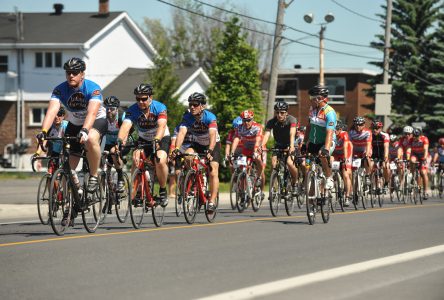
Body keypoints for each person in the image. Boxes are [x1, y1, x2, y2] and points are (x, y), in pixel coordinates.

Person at [36, 58, 107, 190]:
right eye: (68, 72)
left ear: (82, 74)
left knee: (91, 139)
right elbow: (52, 111)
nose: (71, 75)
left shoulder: (93, 88)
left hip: (96, 120)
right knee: (68, 169)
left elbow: (91, 113)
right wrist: (44, 131)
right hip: (75, 123)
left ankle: (94, 175)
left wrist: (85, 130)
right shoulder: (59, 89)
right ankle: (69, 202)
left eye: (75, 72)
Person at [116, 83, 170, 206]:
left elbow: (161, 126)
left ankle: (162, 190)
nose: (140, 101)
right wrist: (119, 140)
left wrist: (156, 139)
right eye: (138, 99)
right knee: (136, 159)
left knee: (160, 160)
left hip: (161, 137)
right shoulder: (133, 110)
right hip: (143, 139)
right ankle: (138, 191)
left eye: (144, 99)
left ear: (150, 97)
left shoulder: (159, 107)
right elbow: (126, 126)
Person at [173, 92, 221, 211]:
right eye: (190, 104)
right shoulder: (187, 117)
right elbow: (182, 133)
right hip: (198, 143)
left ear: (202, 106)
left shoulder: (210, 117)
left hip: (212, 145)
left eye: (195, 104)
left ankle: (211, 201)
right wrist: (176, 148)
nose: (192, 107)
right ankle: (194, 179)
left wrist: (210, 150)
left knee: (213, 171)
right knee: (188, 156)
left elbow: (212, 135)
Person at [261, 101, 299, 195]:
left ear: (286, 113)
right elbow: (267, 134)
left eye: (282, 113)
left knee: (290, 163)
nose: (279, 115)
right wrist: (262, 145)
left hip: (291, 144)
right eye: (277, 112)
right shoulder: (271, 122)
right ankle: (276, 187)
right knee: (274, 163)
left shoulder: (292, 120)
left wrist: (291, 147)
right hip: (279, 144)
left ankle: (295, 183)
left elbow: (292, 134)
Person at [303, 85, 337, 190]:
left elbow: (330, 132)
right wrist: (304, 143)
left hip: (327, 141)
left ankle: (329, 177)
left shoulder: (329, 112)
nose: (310, 100)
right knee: (306, 162)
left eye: (312, 98)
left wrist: (326, 148)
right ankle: (313, 197)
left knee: (322, 155)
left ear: (319, 98)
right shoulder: (312, 109)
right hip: (314, 141)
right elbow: (308, 127)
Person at [231, 110, 265, 191]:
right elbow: (236, 139)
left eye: (248, 120)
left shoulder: (257, 127)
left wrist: (256, 151)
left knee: (258, 160)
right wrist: (232, 152)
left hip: (257, 147)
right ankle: (243, 191)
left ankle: (259, 177)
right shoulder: (239, 127)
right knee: (242, 167)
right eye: (244, 120)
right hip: (246, 149)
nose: (246, 123)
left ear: (252, 119)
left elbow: (258, 140)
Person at [103, 96, 127, 192]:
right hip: (108, 143)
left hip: (123, 141)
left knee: (114, 152)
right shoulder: (103, 118)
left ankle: (120, 178)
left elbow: (127, 131)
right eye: (107, 108)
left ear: (117, 109)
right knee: (104, 161)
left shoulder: (121, 116)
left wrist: (121, 144)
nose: (109, 111)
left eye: (112, 109)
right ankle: (109, 191)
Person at [332, 122, 353, 206]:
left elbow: (345, 146)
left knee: (345, 174)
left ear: (340, 130)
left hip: (346, 153)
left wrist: (345, 158)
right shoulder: (331, 134)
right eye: (334, 129)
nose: (335, 131)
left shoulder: (344, 134)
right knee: (330, 161)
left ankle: (347, 196)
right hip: (336, 153)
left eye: (337, 130)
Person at [349, 116, 373, 184]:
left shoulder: (368, 132)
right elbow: (349, 144)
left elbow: (368, 144)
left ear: (364, 125)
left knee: (367, 157)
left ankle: (367, 176)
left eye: (360, 125)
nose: (358, 126)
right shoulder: (351, 132)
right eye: (356, 125)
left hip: (365, 149)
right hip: (355, 150)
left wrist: (367, 153)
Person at [407, 127, 429, 200]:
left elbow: (426, 149)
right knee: (412, 160)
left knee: (423, 172)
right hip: (415, 155)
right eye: (414, 136)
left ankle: (425, 191)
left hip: (423, 156)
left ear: (420, 135)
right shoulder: (411, 140)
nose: (415, 137)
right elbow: (409, 149)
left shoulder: (424, 139)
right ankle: (414, 175)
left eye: (417, 136)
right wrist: (407, 157)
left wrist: (425, 158)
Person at [371, 120, 390, 193]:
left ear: (381, 128)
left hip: (383, 154)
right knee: (371, 166)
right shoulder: (370, 135)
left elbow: (386, 147)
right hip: (374, 154)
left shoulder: (384, 135)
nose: (375, 130)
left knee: (386, 166)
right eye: (373, 128)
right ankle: (371, 185)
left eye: (377, 128)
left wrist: (385, 157)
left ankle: (386, 183)